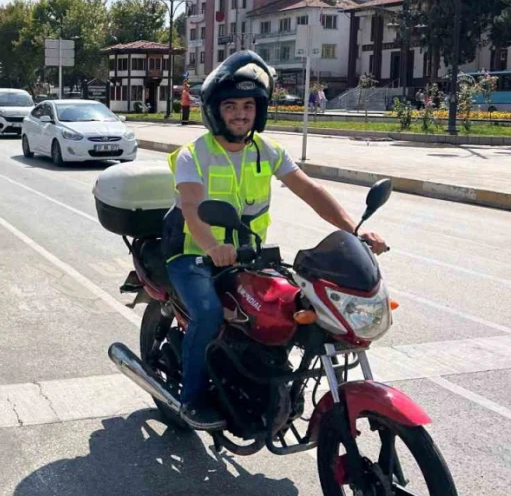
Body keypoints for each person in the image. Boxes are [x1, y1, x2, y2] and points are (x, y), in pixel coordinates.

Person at [162, 50, 388, 430]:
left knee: (294, 308)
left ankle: (267, 384)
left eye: (248, 105)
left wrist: (354, 230)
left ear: (259, 110)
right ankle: (191, 400)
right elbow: (191, 207)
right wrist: (211, 247)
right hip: (192, 256)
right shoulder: (193, 155)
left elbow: (310, 190)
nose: (240, 114)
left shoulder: (266, 150)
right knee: (209, 313)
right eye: (230, 105)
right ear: (215, 110)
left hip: (249, 256)